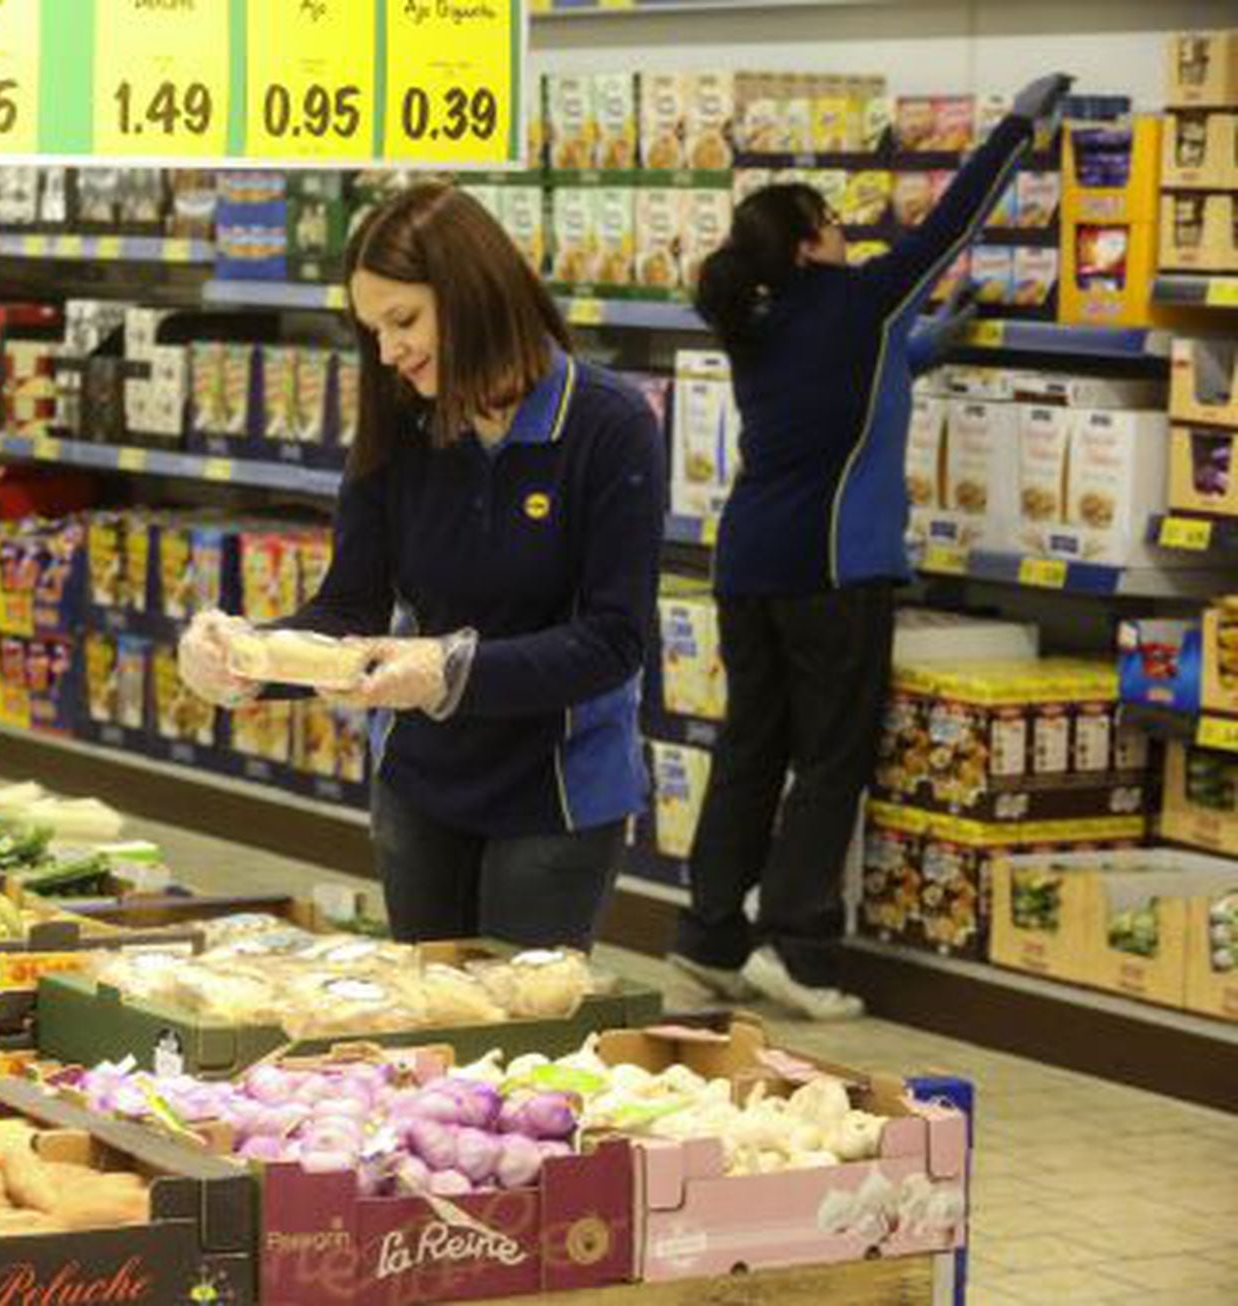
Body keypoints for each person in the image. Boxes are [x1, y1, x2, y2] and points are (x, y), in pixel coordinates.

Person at [669, 73, 1074, 1020]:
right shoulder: (856, 296)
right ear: (814, 239)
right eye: (835, 224)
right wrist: (1016, 125)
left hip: (747, 562)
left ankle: (710, 938)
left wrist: (931, 341)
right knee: (830, 759)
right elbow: (957, 220)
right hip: (831, 568)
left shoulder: (757, 315)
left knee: (748, 751)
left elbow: (840, 387)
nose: (849, 234)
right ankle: (800, 949)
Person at [177, 182, 665, 950]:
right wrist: (246, 657)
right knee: (426, 1039)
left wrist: (449, 669)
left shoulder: (610, 426)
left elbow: (613, 641)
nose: (388, 351)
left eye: (403, 321)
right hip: (418, 785)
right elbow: (350, 609)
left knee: (521, 1036)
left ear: (473, 293)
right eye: (372, 329)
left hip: (557, 792)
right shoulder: (401, 423)